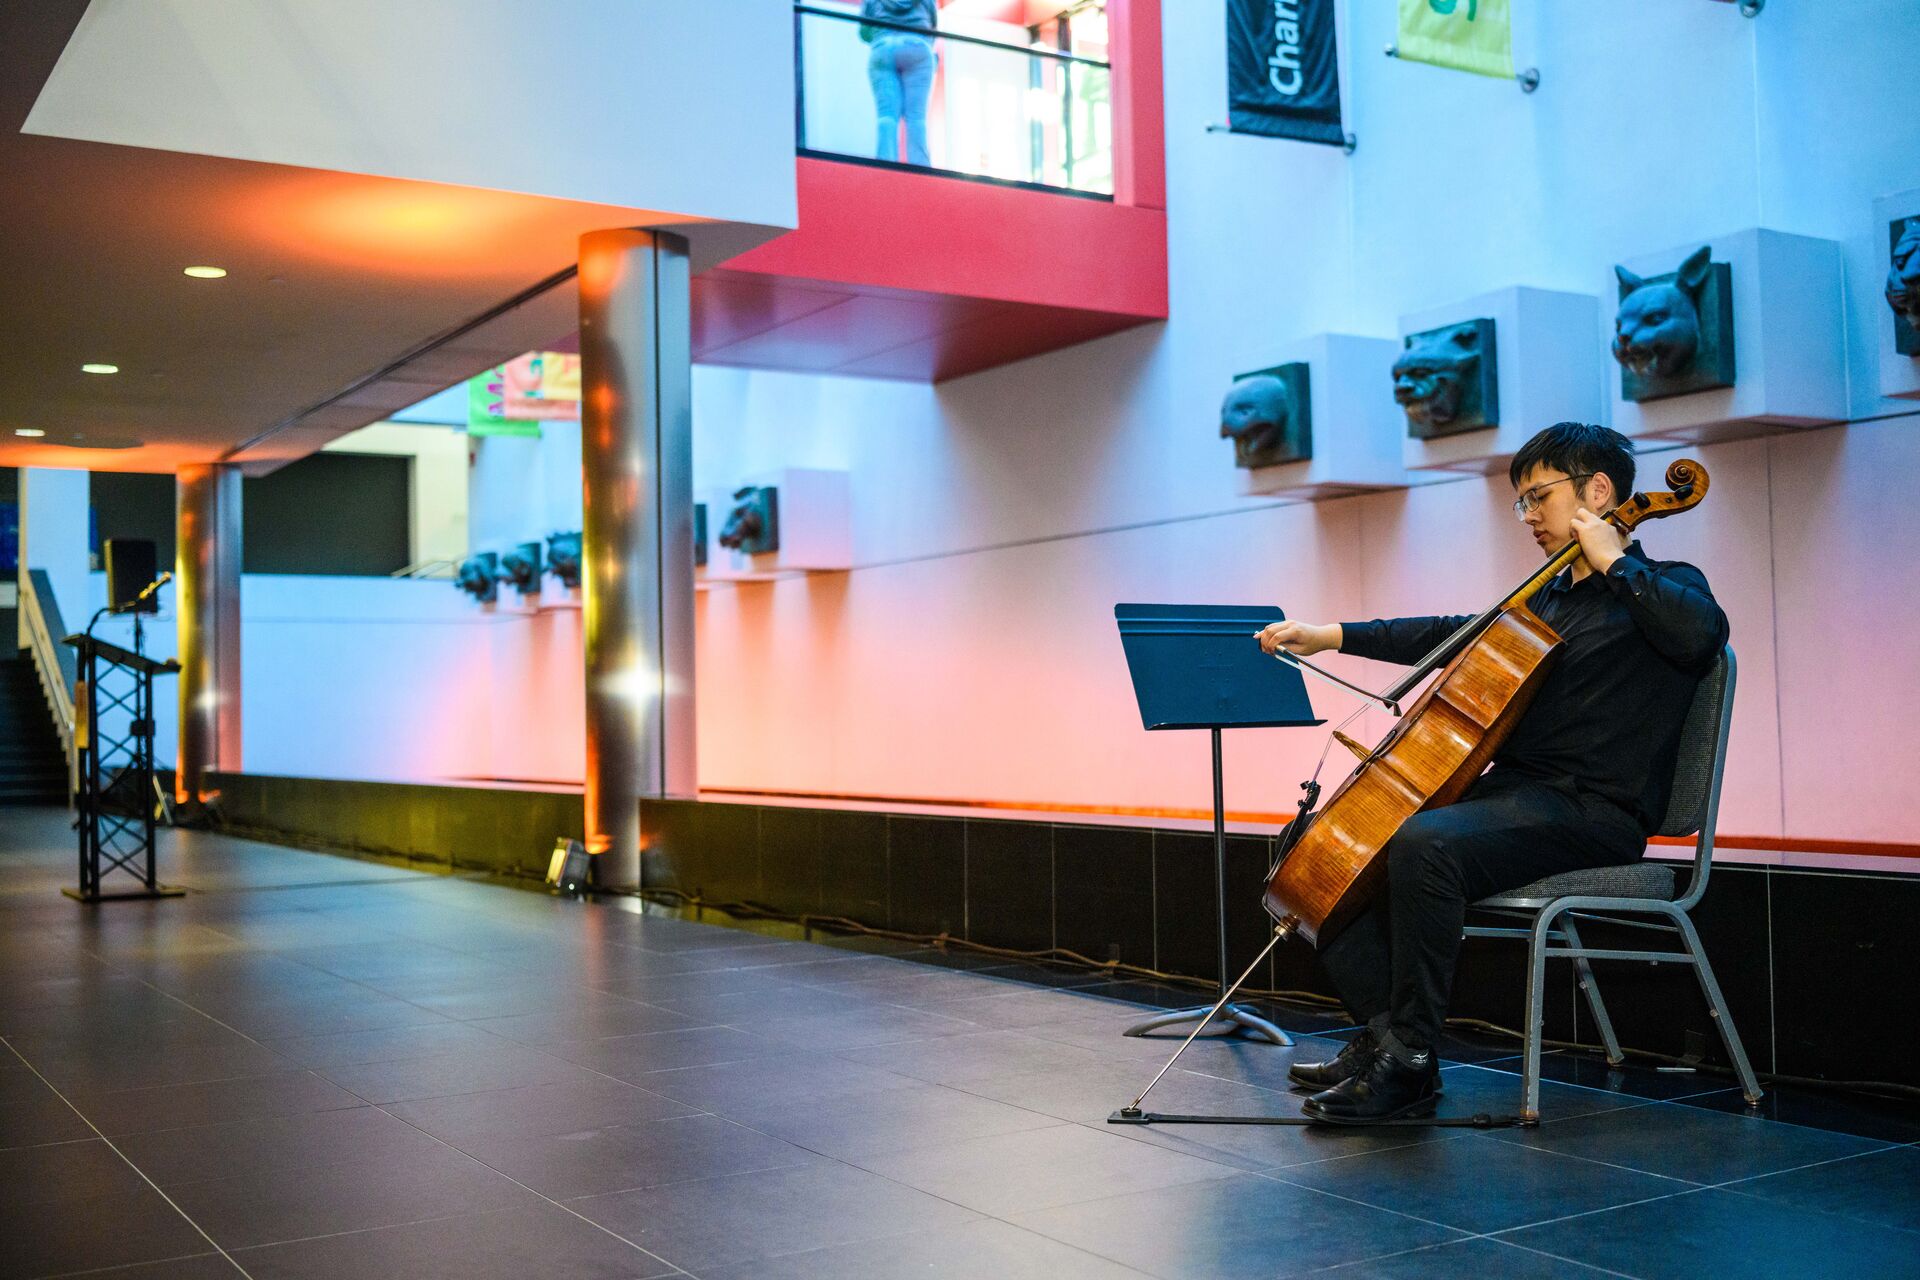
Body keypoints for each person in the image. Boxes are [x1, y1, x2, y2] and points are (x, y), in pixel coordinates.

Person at [1256, 422, 1729, 1124]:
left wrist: (1615, 563)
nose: (1528, 515)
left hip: (1594, 811)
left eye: (1540, 496)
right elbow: (1448, 635)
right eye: (1522, 502)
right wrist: (1332, 636)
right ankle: (1389, 1041)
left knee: (1426, 844)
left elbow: (1703, 636)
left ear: (1599, 491)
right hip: (1515, 802)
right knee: (1319, 848)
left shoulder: (1668, 586)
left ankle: (1408, 1062)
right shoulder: (1545, 598)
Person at [861, 0, 938, 166]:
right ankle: (920, 168)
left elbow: (864, 32)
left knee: (886, 116)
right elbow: (933, 27)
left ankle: (885, 166)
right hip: (917, 44)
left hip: (883, 45)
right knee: (916, 117)